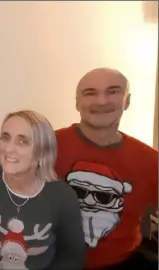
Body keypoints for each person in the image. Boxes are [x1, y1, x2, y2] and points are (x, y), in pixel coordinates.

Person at [55, 67, 158, 270]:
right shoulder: (44, 147)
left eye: (113, 91)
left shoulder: (150, 160)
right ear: (77, 103)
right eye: (90, 93)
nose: (102, 101)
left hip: (125, 261)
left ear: (127, 101)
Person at [0, 110, 86, 270]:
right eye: (5, 137)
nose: (9, 149)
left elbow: (71, 258)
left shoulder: (63, 197)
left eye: (22, 141)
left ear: (43, 151)